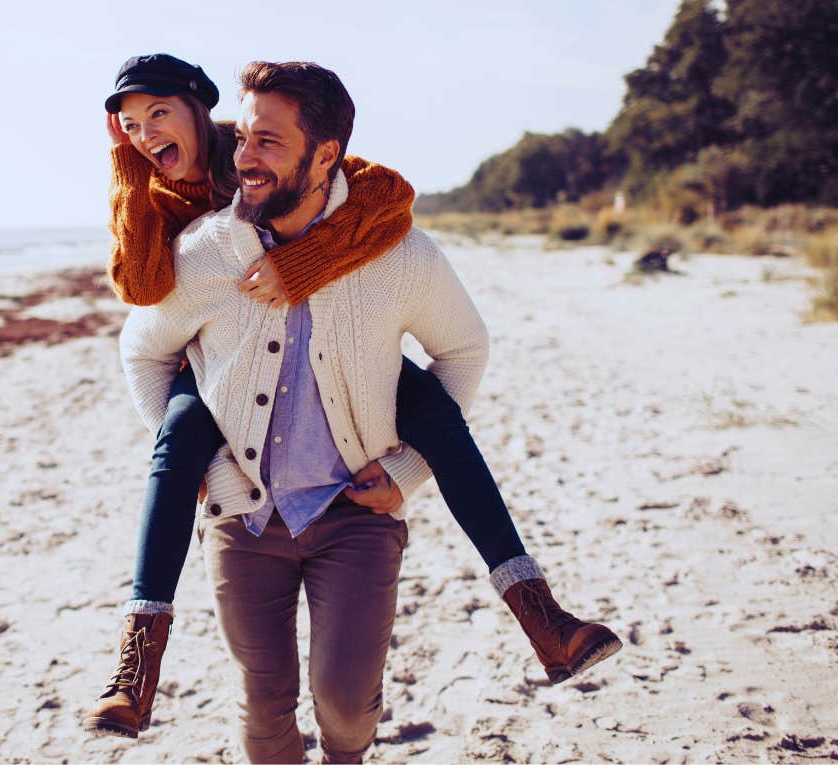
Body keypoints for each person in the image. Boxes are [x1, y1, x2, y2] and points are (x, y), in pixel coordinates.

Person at [86, 54, 620, 745]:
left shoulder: (384, 239)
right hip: (244, 504)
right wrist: (213, 472)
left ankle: (540, 611)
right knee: (261, 703)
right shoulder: (200, 237)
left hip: (353, 511)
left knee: (427, 408)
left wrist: (403, 472)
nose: (247, 154)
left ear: (325, 153)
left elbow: (399, 216)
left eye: (267, 140)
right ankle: (138, 655)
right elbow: (140, 317)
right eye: (245, 137)